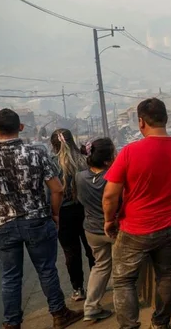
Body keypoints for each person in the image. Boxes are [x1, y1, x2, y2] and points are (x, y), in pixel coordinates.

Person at [103, 98, 171, 329]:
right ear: (166, 120)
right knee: (167, 275)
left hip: (135, 228)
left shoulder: (129, 152)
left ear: (141, 122)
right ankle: (160, 323)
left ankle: (129, 326)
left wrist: (109, 221)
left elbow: (110, 195)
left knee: (123, 279)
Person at [0, 109, 83, 329]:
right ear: (21, 128)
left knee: (10, 276)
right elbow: (57, 189)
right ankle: (59, 314)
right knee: (46, 269)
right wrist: (55, 214)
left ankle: (12, 323)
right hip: (37, 219)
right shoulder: (36, 153)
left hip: (2, 224)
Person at [50, 129, 95, 301]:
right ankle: (95, 285)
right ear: (73, 141)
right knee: (91, 249)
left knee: (71, 253)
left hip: (63, 213)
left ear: (54, 145)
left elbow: (53, 191)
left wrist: (54, 214)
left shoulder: (51, 163)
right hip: (86, 210)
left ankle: (78, 289)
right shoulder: (84, 160)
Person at [75, 137, 116, 322]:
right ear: (107, 160)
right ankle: (124, 309)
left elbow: (80, 200)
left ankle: (91, 307)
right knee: (122, 270)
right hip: (114, 228)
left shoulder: (79, 177)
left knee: (100, 266)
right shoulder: (113, 178)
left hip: (91, 229)